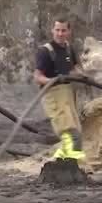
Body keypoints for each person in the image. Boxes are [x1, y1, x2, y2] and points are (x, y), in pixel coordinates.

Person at [33, 17, 85, 161]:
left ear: (69, 31)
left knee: (77, 133)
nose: (60, 33)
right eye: (57, 30)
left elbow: (74, 67)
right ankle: (63, 166)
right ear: (52, 30)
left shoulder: (69, 49)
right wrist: (53, 80)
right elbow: (37, 76)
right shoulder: (45, 51)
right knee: (69, 134)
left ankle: (68, 165)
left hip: (68, 94)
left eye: (63, 30)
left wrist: (82, 75)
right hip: (53, 94)